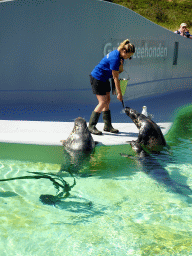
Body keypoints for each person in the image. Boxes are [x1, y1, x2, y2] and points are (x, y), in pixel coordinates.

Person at [88, 39, 135, 135]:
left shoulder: (120, 57)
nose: (128, 58)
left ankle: (107, 126)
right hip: (97, 78)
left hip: (104, 79)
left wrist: (121, 66)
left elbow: (119, 71)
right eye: (129, 56)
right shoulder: (115, 58)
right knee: (102, 102)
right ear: (124, 51)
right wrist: (119, 93)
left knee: (107, 100)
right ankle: (91, 126)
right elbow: (115, 77)